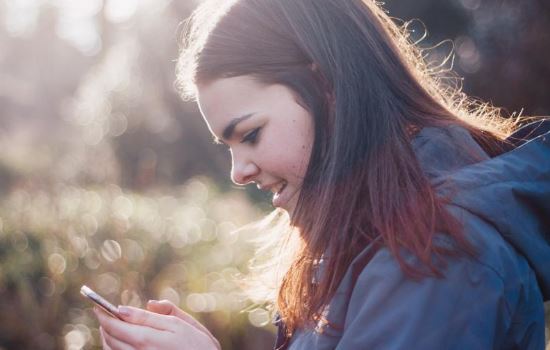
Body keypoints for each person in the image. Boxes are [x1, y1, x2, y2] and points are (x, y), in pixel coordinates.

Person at [93, 0, 550, 349]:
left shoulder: (435, 254)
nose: (238, 172)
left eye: (250, 135)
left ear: (326, 87)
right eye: (228, 146)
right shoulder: (374, 235)